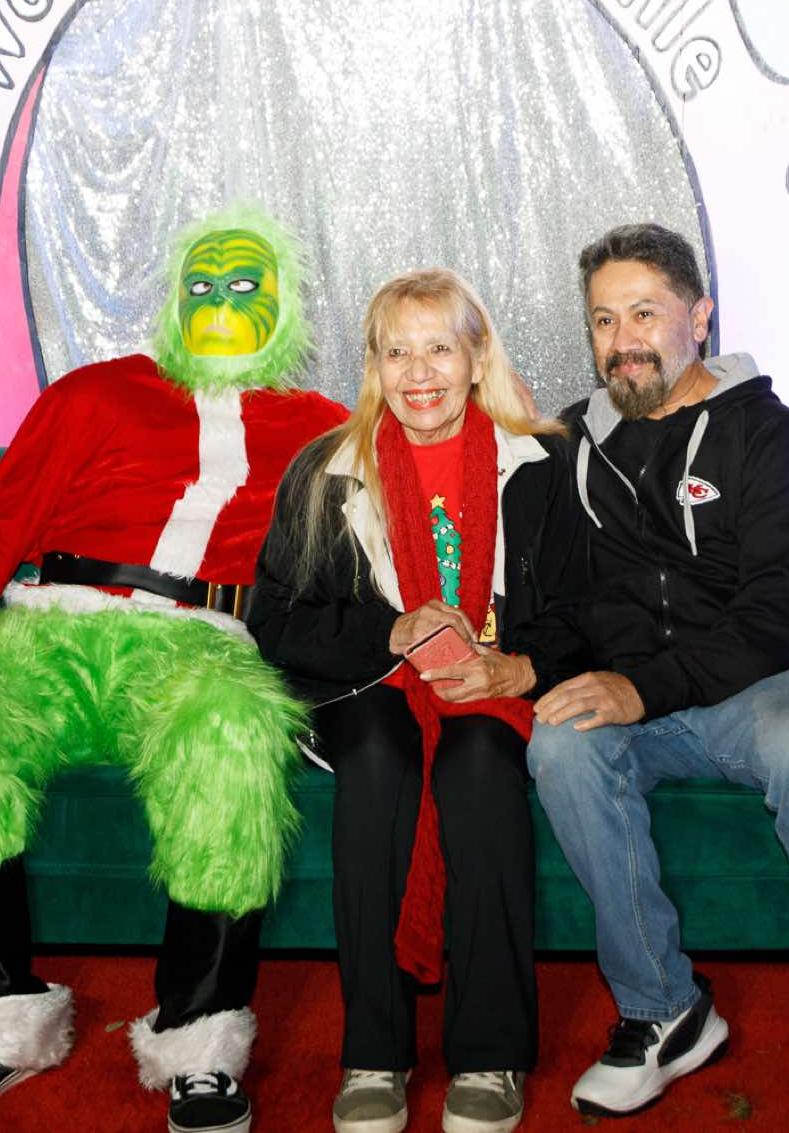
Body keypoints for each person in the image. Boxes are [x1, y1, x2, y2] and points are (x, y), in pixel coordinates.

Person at [0, 206, 348, 1132]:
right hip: (48, 635)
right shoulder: (94, 393)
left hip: (199, 646)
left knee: (233, 733)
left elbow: (389, 527)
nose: (221, 302)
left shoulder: (324, 427)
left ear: (283, 307)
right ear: (173, 300)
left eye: (245, 286)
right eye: (203, 284)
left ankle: (199, 1043)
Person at [526, 224, 789, 1132]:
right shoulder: (576, 445)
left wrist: (644, 687)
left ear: (699, 318)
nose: (623, 340)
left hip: (764, 683)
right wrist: (533, 664)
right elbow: (562, 596)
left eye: (644, 313)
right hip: (644, 696)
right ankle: (664, 1006)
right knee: (560, 742)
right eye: (604, 320)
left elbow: (785, 608)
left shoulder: (770, 437)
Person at [247, 270, 591, 1133]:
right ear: (374, 366)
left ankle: (490, 1052)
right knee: (377, 757)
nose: (419, 371)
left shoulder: (542, 465)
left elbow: (586, 611)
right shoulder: (325, 469)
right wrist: (391, 631)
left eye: (439, 347)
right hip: (369, 685)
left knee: (479, 763)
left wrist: (518, 667)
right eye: (397, 351)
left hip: (492, 684)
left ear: (477, 358)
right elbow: (277, 622)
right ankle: (374, 1049)